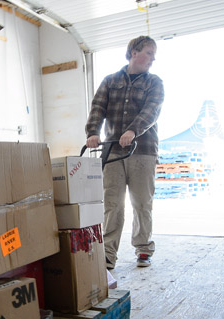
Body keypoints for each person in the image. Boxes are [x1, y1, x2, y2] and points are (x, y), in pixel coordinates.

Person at [85, 36, 164, 268]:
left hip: (143, 150)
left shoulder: (154, 82)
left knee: (142, 203)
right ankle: (108, 253)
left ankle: (143, 249)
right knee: (112, 203)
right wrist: (92, 132)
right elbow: (97, 108)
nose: (153, 58)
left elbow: (152, 110)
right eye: (149, 53)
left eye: (153, 54)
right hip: (113, 151)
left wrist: (133, 130)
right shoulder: (110, 81)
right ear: (134, 53)